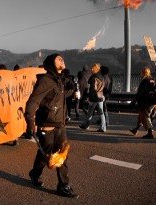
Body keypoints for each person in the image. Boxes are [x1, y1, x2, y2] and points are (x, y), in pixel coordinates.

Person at [24, 53, 78, 198]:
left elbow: (62, 95)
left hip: (60, 125)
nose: (62, 59)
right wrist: (30, 122)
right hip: (47, 126)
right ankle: (35, 174)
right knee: (45, 155)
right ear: (51, 64)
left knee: (62, 155)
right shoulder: (46, 81)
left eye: (62, 58)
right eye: (58, 58)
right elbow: (32, 102)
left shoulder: (60, 81)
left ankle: (63, 185)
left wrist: (73, 87)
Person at [129, 67, 156, 139]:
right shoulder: (152, 80)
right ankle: (136, 129)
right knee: (141, 116)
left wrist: (133, 101)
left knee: (145, 116)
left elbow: (140, 93)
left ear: (143, 73)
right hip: (152, 101)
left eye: (141, 72)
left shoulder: (145, 81)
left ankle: (150, 133)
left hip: (146, 102)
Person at [79, 63, 106, 132]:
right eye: (91, 68)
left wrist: (90, 97)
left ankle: (86, 125)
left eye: (93, 68)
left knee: (90, 112)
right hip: (100, 96)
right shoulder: (101, 77)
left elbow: (93, 89)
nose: (91, 69)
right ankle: (103, 128)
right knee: (101, 113)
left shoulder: (94, 78)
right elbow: (102, 87)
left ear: (96, 69)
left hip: (94, 98)